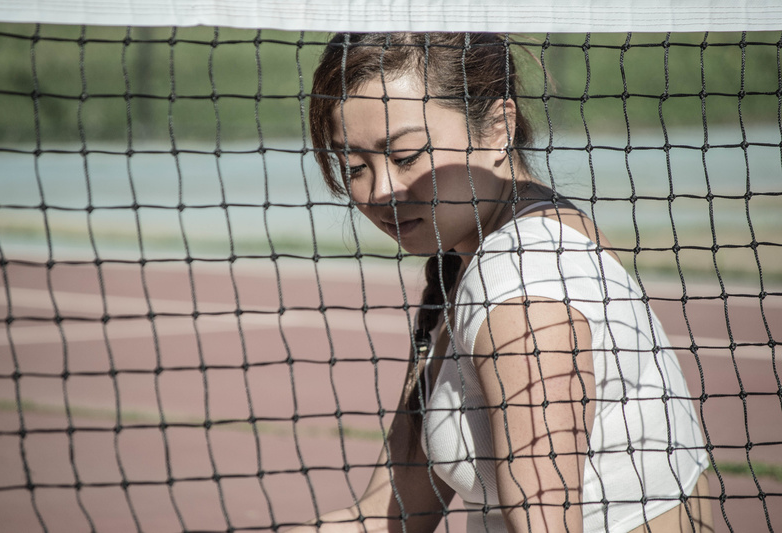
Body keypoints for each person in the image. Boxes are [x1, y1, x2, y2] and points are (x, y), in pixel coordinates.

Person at [294, 32, 713, 533]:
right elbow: (395, 514)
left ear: (498, 127)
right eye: (354, 166)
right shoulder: (481, 253)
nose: (381, 190)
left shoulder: (522, 280)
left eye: (406, 156)